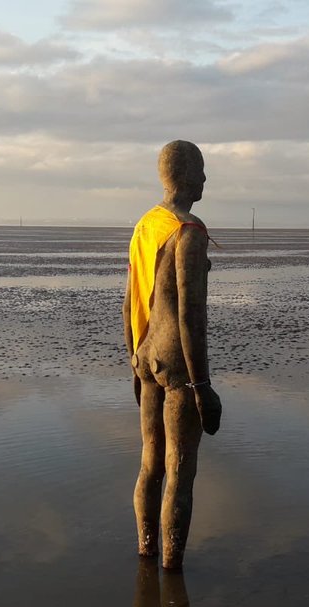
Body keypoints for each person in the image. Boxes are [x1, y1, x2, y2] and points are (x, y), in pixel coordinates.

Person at [123, 140, 222, 570]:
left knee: (150, 464)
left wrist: (133, 359)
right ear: (184, 175)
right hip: (178, 367)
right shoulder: (188, 230)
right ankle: (171, 566)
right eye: (200, 170)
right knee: (180, 471)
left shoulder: (147, 225)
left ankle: (146, 553)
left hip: (145, 355)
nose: (204, 179)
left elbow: (129, 304)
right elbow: (190, 315)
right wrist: (203, 387)